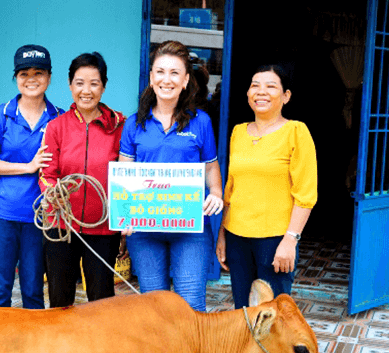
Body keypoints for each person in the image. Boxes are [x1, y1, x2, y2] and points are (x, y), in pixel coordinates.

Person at [119, 40, 224, 313]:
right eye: (161, 72)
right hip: (144, 231)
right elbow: (124, 175)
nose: (167, 79)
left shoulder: (200, 121)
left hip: (191, 230)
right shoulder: (134, 124)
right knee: (155, 311)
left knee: (191, 307)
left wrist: (215, 193)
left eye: (175, 73)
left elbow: (211, 167)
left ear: (186, 80)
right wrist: (123, 213)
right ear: (152, 77)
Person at [216, 64, 317, 310]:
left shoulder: (296, 132)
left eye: (271, 86)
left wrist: (290, 240)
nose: (261, 92)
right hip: (237, 236)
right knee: (243, 309)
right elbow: (231, 189)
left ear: (286, 96)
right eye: (255, 86)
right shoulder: (239, 132)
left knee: (273, 312)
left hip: (274, 240)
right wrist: (222, 235)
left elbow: (305, 194)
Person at [0, 44, 63, 309]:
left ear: (49, 77)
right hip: (0, 214)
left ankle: (31, 351)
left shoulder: (58, 119)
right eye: (24, 73)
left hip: (39, 218)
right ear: (15, 78)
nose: (31, 79)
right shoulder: (1, 115)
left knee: (34, 291)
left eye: (39, 73)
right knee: (0, 292)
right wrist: (28, 166)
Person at [39, 52, 126, 307]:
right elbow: (47, 174)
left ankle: (99, 347)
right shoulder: (56, 127)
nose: (86, 91)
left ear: (104, 86)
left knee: (101, 300)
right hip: (61, 226)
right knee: (59, 297)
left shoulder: (119, 127)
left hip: (103, 228)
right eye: (79, 83)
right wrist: (53, 192)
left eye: (94, 83)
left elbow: (126, 176)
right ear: (69, 85)